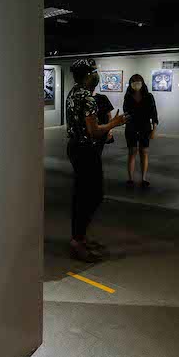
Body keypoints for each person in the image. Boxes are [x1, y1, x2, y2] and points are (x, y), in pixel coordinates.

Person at [66, 59, 128, 262]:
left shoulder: (73, 93)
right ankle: (77, 240)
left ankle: (79, 237)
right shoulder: (88, 98)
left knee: (81, 194)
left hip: (75, 148)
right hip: (86, 150)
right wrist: (113, 123)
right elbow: (93, 131)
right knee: (93, 195)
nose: (97, 75)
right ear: (88, 75)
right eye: (94, 72)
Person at [122, 74, 158, 188]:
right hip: (131, 126)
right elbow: (126, 112)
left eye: (138, 82)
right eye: (133, 82)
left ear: (142, 83)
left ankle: (143, 178)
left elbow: (154, 114)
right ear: (130, 83)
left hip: (145, 126)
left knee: (144, 152)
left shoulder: (149, 96)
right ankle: (130, 179)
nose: (136, 84)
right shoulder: (128, 96)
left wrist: (154, 129)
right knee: (132, 152)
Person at [93, 92, 115, 156]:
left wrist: (110, 129)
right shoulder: (81, 98)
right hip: (86, 133)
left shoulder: (102, 98)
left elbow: (109, 115)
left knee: (97, 152)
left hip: (101, 130)